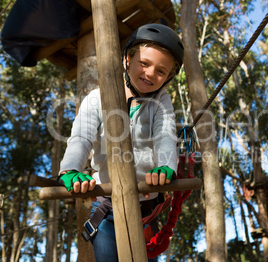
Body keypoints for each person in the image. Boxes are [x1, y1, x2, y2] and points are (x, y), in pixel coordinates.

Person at [57, 23, 185, 261]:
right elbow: (82, 137)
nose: (150, 74)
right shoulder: (96, 99)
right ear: (127, 59)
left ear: (168, 78)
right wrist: (71, 168)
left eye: (160, 71)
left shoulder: (162, 102)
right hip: (107, 208)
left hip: (146, 208)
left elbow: (165, 135)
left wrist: (167, 166)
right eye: (144, 63)